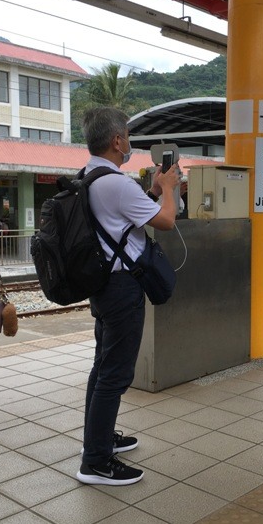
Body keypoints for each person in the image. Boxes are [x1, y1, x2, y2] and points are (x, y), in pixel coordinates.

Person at [78, 107, 180, 486]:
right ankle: (96, 461)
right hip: (122, 289)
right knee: (115, 375)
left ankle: (99, 440)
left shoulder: (89, 176)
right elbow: (166, 221)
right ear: (117, 140)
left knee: (102, 366)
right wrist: (169, 190)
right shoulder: (115, 182)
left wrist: (154, 190)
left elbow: (122, 216)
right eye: (126, 134)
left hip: (102, 285)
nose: (128, 141)